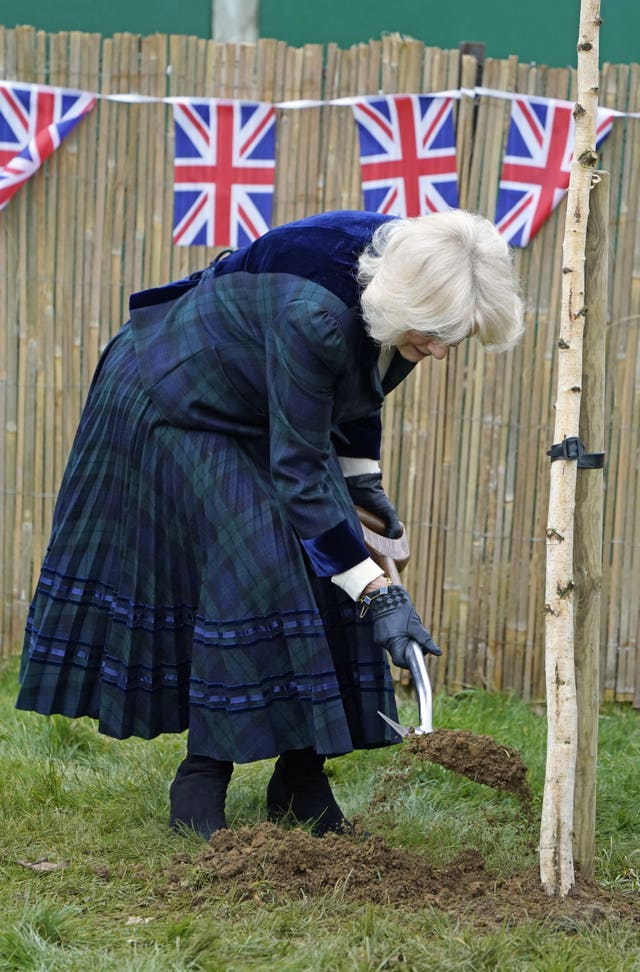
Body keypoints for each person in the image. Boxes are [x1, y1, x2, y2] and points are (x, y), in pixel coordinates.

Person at [16, 209, 524, 839]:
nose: (442, 351)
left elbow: (360, 378)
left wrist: (362, 481)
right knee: (257, 559)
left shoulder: (417, 273)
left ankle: (301, 780)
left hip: (261, 397)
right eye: (435, 333)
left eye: (458, 336)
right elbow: (303, 469)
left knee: (326, 554)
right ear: (403, 300)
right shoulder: (316, 314)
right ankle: (203, 776)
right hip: (175, 392)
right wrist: (377, 592)